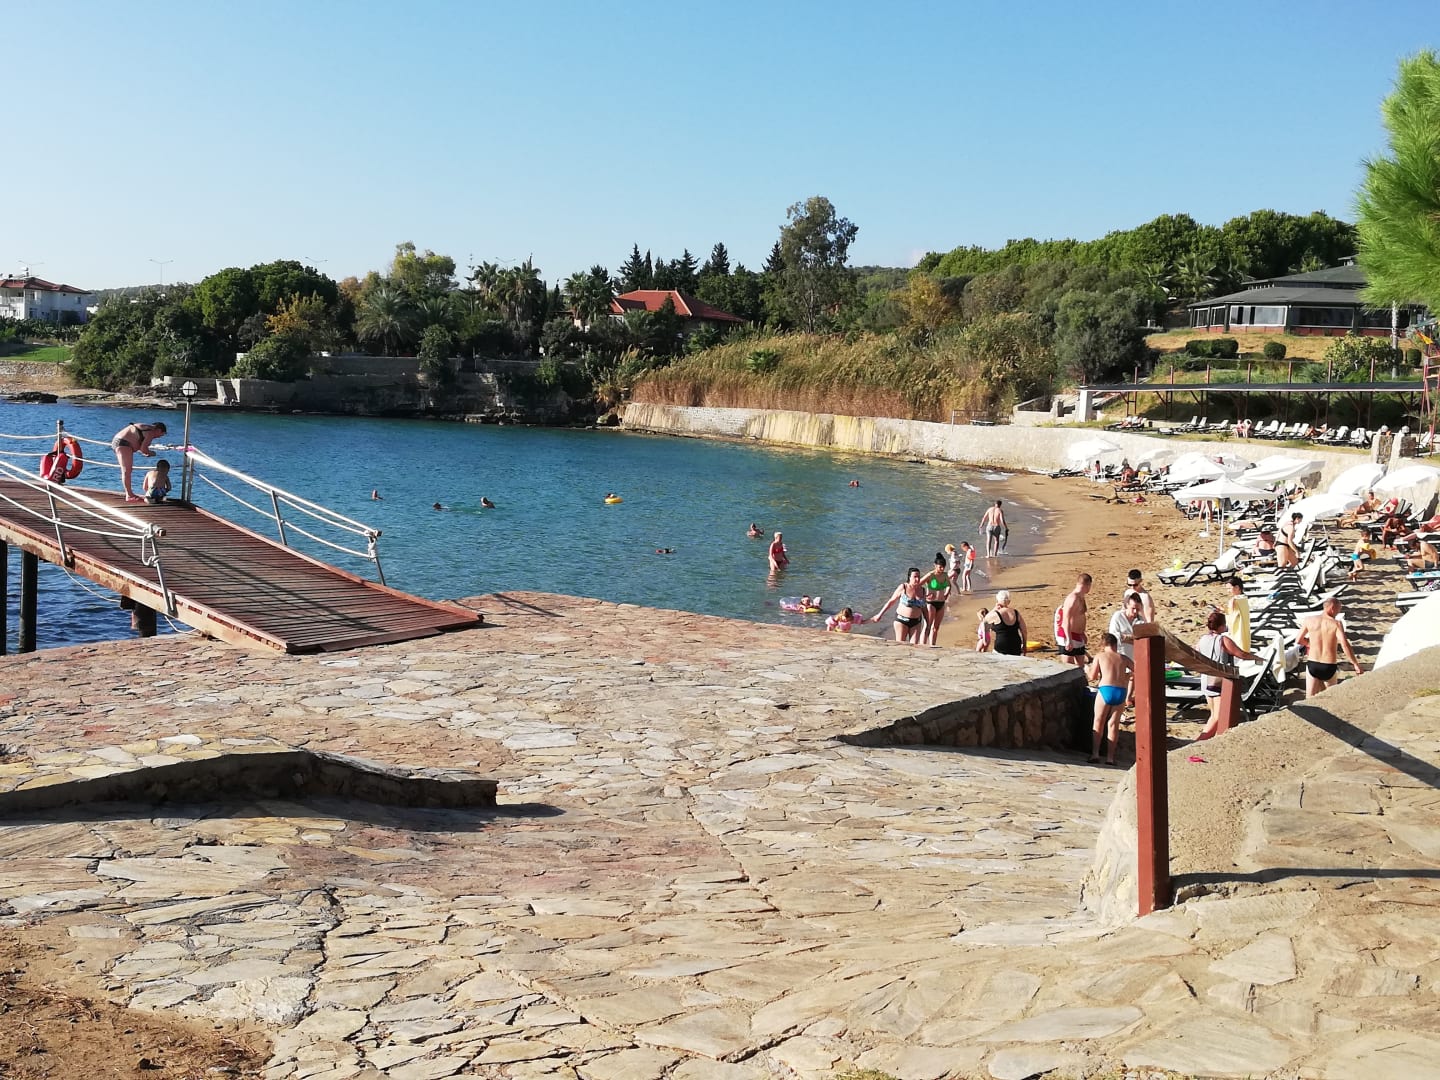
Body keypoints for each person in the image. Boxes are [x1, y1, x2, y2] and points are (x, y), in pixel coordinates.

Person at [1195, 609, 1261, 740]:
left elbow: (1196, 653)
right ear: (1221, 626)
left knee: (1213, 714)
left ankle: (1204, 740)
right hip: (1217, 680)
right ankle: (1198, 742)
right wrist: (1258, 658)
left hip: (1205, 678)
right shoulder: (1223, 639)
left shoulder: (1203, 639)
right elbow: (1241, 654)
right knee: (1218, 717)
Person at [1297, 597, 1362, 697]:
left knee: (1309, 698)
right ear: (1332, 608)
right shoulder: (1336, 624)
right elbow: (1345, 645)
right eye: (1338, 609)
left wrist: (1310, 644)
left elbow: (1298, 640)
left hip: (1313, 664)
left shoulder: (1309, 620)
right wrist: (1355, 664)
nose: (1338, 612)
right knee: (1331, 697)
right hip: (1329, 665)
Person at [1087, 633, 1133, 765]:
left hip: (1105, 689)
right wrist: (1127, 676)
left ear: (1103, 645)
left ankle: (1095, 754)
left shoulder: (1100, 656)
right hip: (1121, 691)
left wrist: (1086, 669)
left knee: (1098, 722)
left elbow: (1092, 676)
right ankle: (1110, 758)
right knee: (1113, 724)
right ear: (1115, 644)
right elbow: (1138, 671)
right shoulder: (1123, 658)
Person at [111, 421, 167, 503]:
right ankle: (129, 495)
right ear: (158, 430)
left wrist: (145, 451)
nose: (158, 437)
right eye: (161, 435)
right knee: (126, 471)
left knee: (127, 470)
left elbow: (139, 444)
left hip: (120, 442)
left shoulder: (145, 427)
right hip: (123, 444)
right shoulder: (150, 432)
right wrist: (152, 453)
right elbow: (143, 449)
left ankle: (130, 494)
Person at [872, 568, 927, 644]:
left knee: (914, 646)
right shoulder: (903, 587)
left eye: (918, 577)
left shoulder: (922, 590)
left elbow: (924, 608)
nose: (917, 579)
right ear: (909, 577)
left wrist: (928, 622)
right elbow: (891, 601)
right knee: (901, 645)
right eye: (915, 577)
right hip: (902, 621)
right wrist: (879, 615)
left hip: (916, 622)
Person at [1054, 573, 1092, 665]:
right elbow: (1065, 619)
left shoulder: (1081, 596)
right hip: (1068, 634)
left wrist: (1082, 633)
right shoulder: (1073, 598)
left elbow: (1079, 616)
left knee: (1080, 666)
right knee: (1068, 666)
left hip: (1078, 635)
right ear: (1088, 585)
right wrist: (1068, 639)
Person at [986, 589, 1028, 657]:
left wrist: (994, 608)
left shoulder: (996, 614)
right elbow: (1024, 631)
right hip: (1016, 645)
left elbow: (985, 620)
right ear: (1009, 601)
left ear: (997, 600)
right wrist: (1024, 645)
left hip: (1001, 645)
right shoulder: (1016, 613)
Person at [923, 553, 951, 646]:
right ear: (935, 565)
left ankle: (933, 645)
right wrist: (925, 595)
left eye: (943, 567)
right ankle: (922, 644)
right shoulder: (930, 575)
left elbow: (948, 585)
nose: (942, 569)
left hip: (941, 603)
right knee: (928, 626)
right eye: (940, 567)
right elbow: (917, 584)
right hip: (931, 603)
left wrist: (946, 593)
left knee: (936, 627)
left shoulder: (945, 575)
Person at [1224, 576, 1251, 652]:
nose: (1228, 591)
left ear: (1237, 587)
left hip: (1238, 630)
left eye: (1229, 588)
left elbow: (1231, 613)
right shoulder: (1243, 598)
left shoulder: (1235, 600)